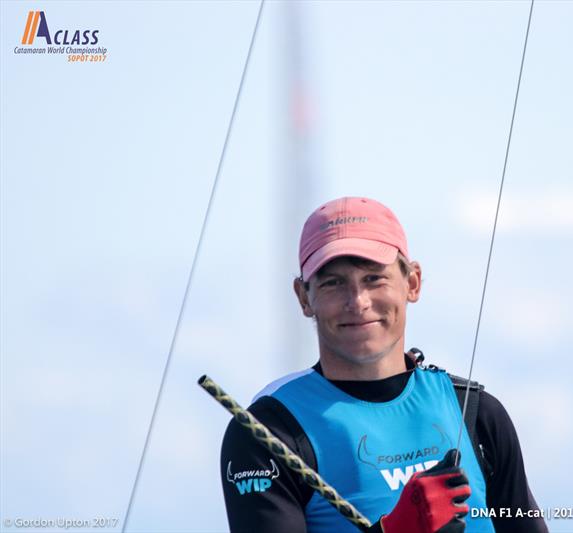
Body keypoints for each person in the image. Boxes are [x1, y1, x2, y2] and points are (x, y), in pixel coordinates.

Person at [220, 197, 548, 532]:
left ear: (413, 282)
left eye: (374, 278)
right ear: (304, 298)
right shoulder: (266, 434)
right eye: (333, 282)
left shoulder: (478, 414)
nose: (357, 302)